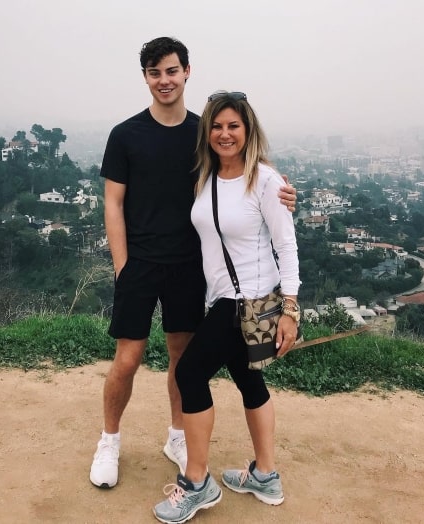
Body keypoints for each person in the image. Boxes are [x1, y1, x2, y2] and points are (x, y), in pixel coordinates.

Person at [90, 39, 297, 489]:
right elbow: (113, 203)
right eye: (154, 72)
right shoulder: (125, 135)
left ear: (187, 72)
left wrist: (280, 191)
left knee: (181, 355)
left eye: (171, 71)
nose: (163, 80)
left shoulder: (200, 133)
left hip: (188, 267)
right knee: (128, 358)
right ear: (145, 77)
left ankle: (178, 434)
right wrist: (123, 266)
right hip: (140, 264)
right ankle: (109, 439)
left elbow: (238, 168)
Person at [153, 90, 300, 523]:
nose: (224, 133)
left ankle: (197, 483)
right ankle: (265, 476)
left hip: (246, 303)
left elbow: (286, 246)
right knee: (247, 381)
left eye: (233, 125)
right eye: (216, 126)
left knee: (190, 373)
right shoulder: (208, 177)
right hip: (223, 299)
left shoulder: (266, 180)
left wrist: (290, 310)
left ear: (248, 129)